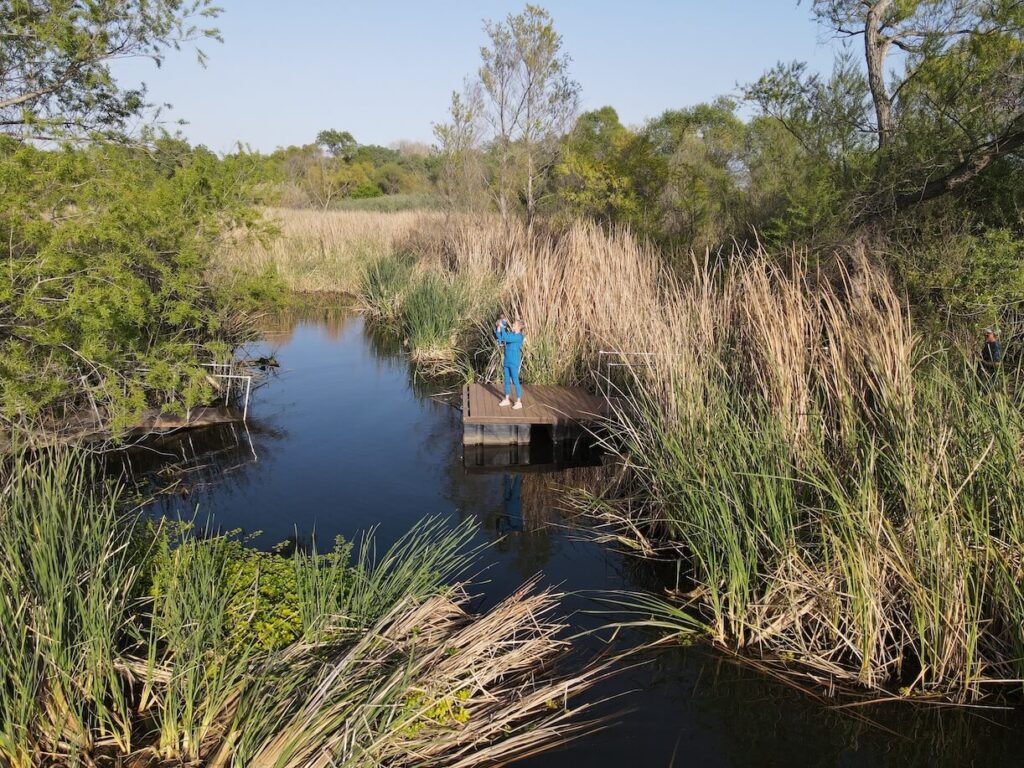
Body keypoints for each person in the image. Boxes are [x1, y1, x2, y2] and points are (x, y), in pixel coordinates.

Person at [495, 317, 526, 409]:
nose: (512, 325)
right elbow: (500, 336)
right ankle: (507, 399)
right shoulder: (511, 334)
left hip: (514, 361)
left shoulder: (519, 337)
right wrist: (499, 327)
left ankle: (519, 401)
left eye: (514, 324)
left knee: (515, 381)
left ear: (519, 327)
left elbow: (505, 337)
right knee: (506, 380)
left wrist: (503, 327)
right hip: (507, 360)